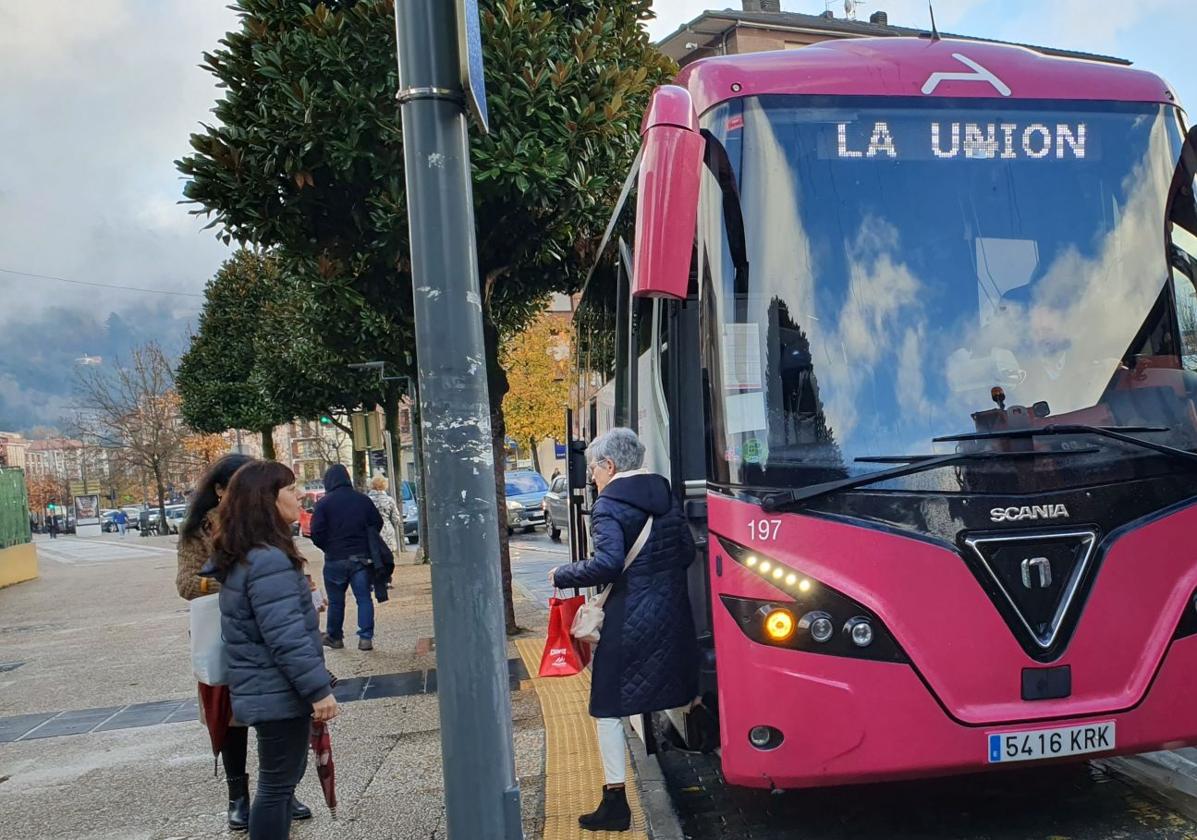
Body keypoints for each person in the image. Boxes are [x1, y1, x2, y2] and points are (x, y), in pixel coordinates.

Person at [550, 428, 699, 833]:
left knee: (607, 709)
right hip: (669, 613)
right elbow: (685, 551)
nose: (593, 477)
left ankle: (615, 803)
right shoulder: (665, 495)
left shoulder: (608, 505)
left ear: (609, 465)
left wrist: (562, 573)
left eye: (594, 468)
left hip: (629, 617)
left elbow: (609, 563)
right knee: (657, 689)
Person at [176, 455, 313, 832]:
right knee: (229, 719)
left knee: (272, 729)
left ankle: (281, 789)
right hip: (221, 636)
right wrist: (240, 585)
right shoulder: (202, 532)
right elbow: (187, 584)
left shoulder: (265, 531)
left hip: (259, 631)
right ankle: (239, 795)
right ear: (220, 490)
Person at [205, 461, 337, 840]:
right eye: (290, 489)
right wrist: (317, 690)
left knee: (277, 785)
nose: (298, 496)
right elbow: (285, 636)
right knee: (277, 787)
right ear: (267, 500)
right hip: (277, 690)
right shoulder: (268, 559)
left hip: (267, 688)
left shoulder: (250, 554)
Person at [310, 464, 383, 651]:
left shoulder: (323, 504)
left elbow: (316, 533)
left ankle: (335, 637)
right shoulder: (362, 500)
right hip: (360, 558)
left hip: (335, 558)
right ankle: (365, 638)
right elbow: (377, 523)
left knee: (336, 601)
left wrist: (328, 546)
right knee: (364, 598)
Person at [367, 474, 402, 556]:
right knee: (388, 559)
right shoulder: (389, 500)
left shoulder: (367, 500)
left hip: (373, 532)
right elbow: (396, 519)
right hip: (387, 531)